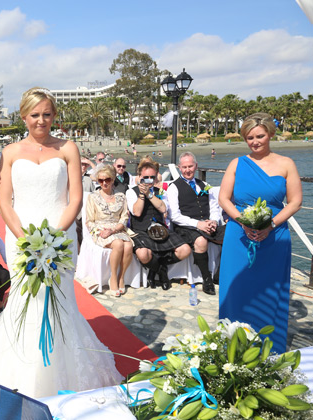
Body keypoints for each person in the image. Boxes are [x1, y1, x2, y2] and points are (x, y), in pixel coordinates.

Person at [0, 87, 123, 403]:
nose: (41, 120)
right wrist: (26, 239)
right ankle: (21, 374)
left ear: (54, 115)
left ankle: (66, 373)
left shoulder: (68, 147)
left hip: (60, 236)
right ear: (24, 116)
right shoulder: (11, 152)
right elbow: (4, 200)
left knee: (61, 299)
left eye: (47, 114)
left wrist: (54, 237)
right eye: (35, 114)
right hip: (20, 237)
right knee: (26, 300)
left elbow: (76, 198)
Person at [218, 113, 302, 354]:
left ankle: (268, 350)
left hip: (274, 237)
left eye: (260, 136)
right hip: (239, 235)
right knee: (236, 289)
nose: (255, 141)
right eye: (249, 137)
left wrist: (270, 225)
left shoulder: (286, 163)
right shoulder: (236, 163)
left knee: (270, 291)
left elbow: (295, 202)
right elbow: (224, 198)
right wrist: (244, 221)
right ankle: (232, 346)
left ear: (270, 134)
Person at [126, 159, 191, 290]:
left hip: (160, 229)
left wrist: (150, 194)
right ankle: (162, 271)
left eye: (152, 177)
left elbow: (163, 208)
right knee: (143, 254)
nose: (149, 180)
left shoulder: (160, 191)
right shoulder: (131, 192)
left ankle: (156, 267)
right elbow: (137, 212)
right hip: (141, 230)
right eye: (146, 178)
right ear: (139, 177)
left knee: (185, 250)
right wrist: (142, 195)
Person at [167, 152, 224, 296]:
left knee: (233, 233)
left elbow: (214, 208)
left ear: (196, 166)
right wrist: (198, 224)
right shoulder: (174, 187)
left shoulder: (205, 185)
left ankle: (219, 275)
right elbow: (175, 216)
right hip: (186, 227)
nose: (187, 170)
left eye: (190, 166)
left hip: (207, 224)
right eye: (184, 167)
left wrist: (214, 221)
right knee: (201, 241)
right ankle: (207, 279)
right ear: (180, 168)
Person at [85, 164, 133, 296]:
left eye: (107, 180)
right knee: (118, 244)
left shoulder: (121, 196)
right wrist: (99, 232)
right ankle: (113, 277)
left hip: (117, 229)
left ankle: (121, 277)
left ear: (112, 180)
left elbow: (124, 217)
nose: (104, 183)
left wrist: (115, 229)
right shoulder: (93, 197)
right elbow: (89, 221)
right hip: (100, 229)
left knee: (128, 246)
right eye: (101, 180)